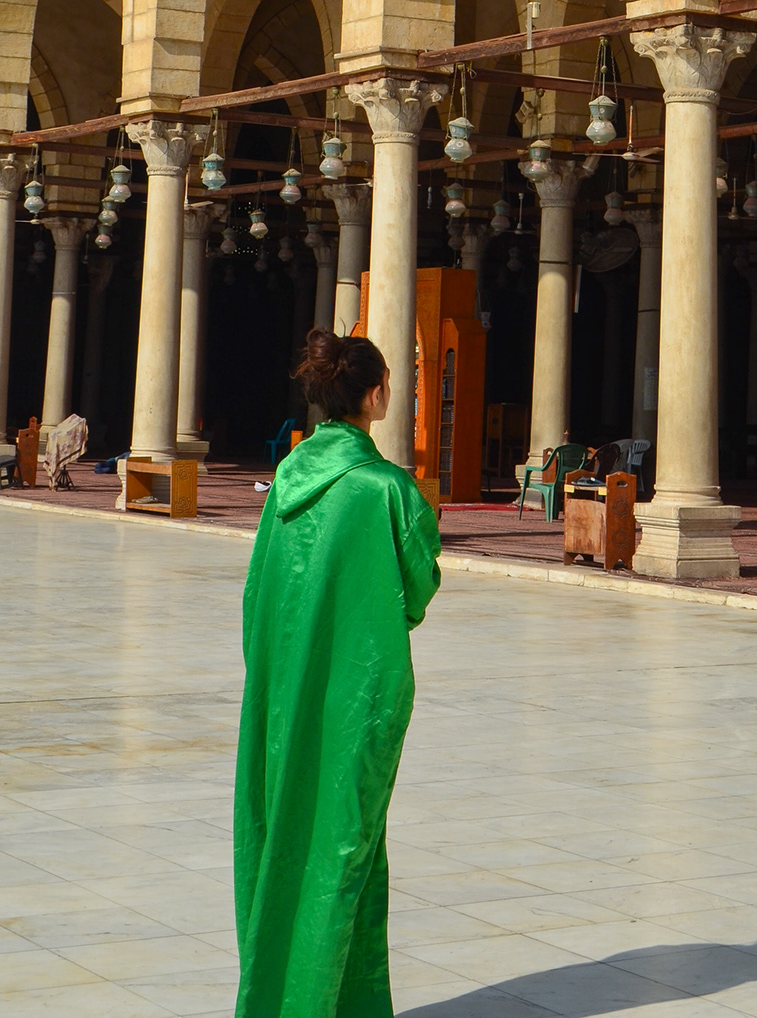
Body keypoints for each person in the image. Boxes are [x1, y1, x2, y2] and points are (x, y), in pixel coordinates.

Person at [233, 328, 441, 1018]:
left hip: (280, 691)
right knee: (345, 845)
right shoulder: (385, 488)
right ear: (376, 395)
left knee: (281, 833)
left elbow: (259, 592)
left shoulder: (287, 481)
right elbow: (415, 593)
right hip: (357, 696)